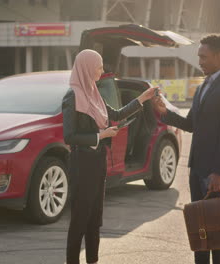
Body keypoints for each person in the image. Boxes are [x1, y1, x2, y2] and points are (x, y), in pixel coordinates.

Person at [153, 35, 220, 264]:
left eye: (203, 57)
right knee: (200, 226)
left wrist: (219, 172)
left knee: (218, 227)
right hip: (197, 168)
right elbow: (191, 124)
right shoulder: (203, 85)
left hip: (214, 171)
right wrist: (166, 113)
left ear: (218, 55)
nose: (200, 61)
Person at [62, 49, 157, 264]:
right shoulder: (72, 96)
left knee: (95, 218)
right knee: (80, 219)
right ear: (87, 67)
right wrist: (101, 135)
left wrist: (143, 98)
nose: (102, 70)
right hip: (82, 163)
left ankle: (93, 260)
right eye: (99, 66)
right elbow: (69, 136)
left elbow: (116, 115)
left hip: (97, 162)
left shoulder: (95, 93)